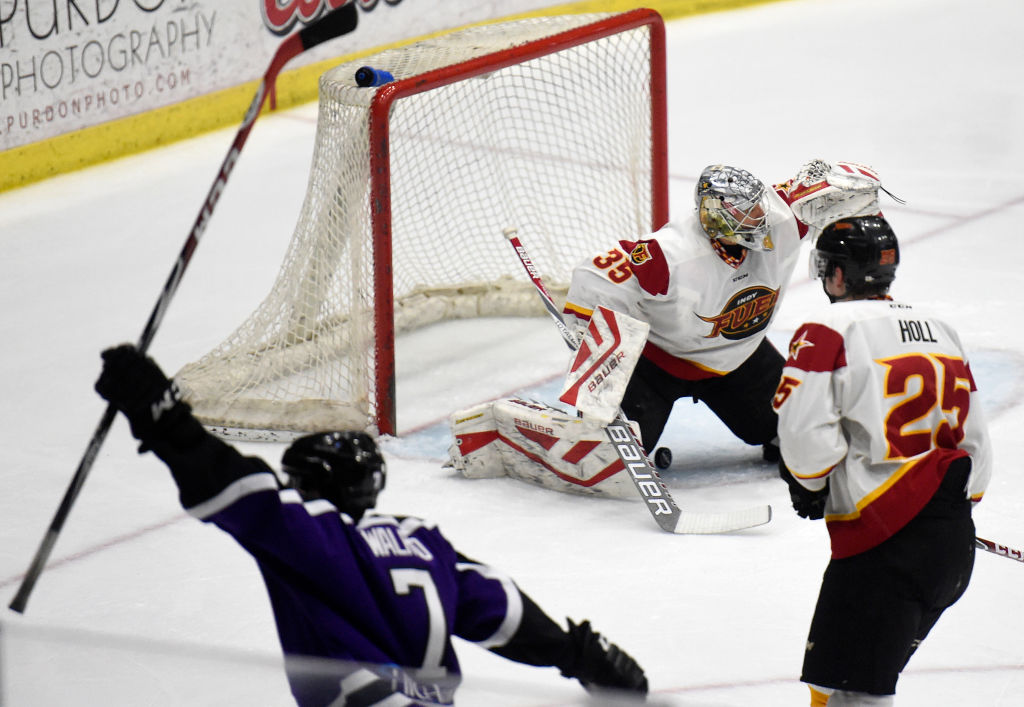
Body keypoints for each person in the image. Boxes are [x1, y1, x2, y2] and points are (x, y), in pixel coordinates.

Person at [95, 344, 649, 707]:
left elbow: (233, 483)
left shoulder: (311, 535)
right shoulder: (421, 541)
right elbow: (499, 610)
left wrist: (161, 416)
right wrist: (583, 654)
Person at [771, 215, 993, 706]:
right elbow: (976, 444)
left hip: (883, 553)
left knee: (855, 695)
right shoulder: (941, 329)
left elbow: (804, 432)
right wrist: (946, 511)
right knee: (834, 684)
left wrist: (811, 484)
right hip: (951, 548)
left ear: (838, 275)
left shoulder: (828, 327)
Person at [560, 161, 883, 462]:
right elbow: (596, 276)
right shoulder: (673, 253)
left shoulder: (781, 221)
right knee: (610, 453)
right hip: (657, 366)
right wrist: (591, 336)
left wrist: (846, 183)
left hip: (740, 358)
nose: (759, 216)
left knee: (791, 429)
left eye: (758, 205)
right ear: (716, 217)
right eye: (746, 212)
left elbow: (807, 191)